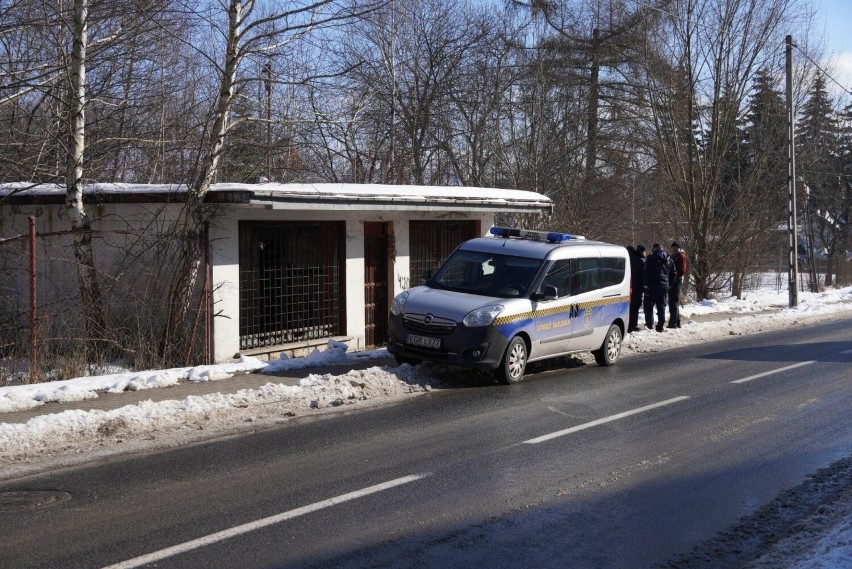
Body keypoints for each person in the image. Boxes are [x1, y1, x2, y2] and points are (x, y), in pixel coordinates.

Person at [643, 243, 673, 332]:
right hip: (664, 286)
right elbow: (674, 272)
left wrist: (645, 284)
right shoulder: (669, 259)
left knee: (648, 306)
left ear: (654, 248)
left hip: (652, 286)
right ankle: (660, 326)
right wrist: (669, 283)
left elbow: (647, 272)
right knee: (661, 307)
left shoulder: (651, 258)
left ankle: (649, 325)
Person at [627, 244, 647, 333]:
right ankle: (632, 325)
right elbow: (645, 275)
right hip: (637, 287)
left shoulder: (628, 258)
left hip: (627, 286)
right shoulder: (641, 261)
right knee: (635, 307)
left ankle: (628, 324)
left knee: (629, 307)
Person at [668, 242, 688, 328]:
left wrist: (674, 276)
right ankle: (677, 322)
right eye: (672, 248)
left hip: (677, 281)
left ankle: (673, 323)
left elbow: (682, 271)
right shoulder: (673, 256)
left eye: (675, 248)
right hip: (672, 281)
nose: (674, 250)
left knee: (674, 302)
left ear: (679, 249)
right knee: (673, 302)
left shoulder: (681, 256)